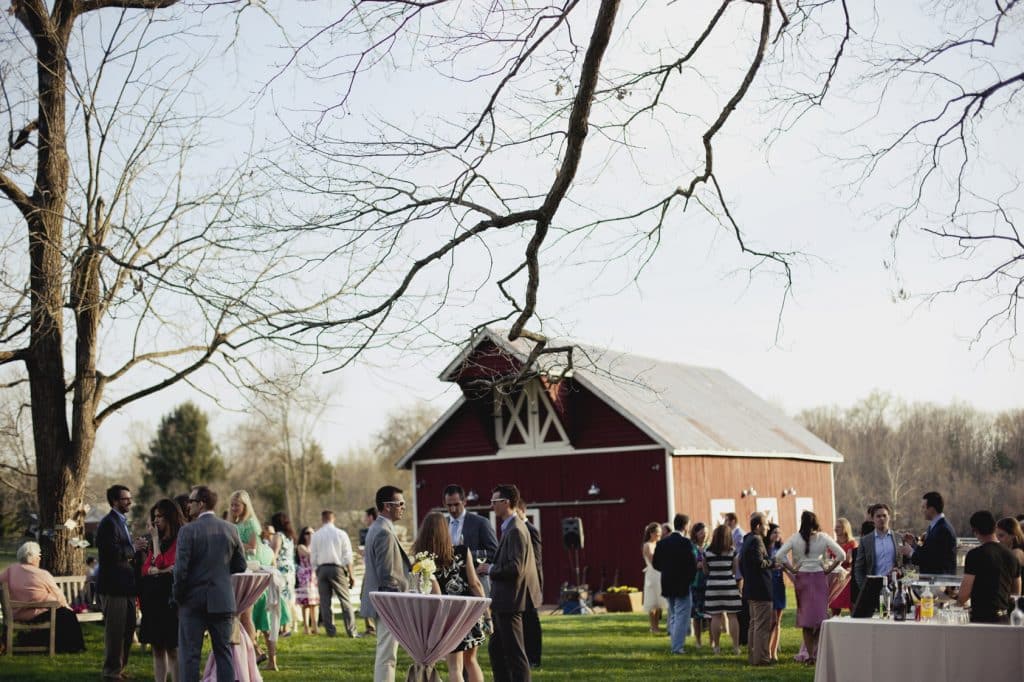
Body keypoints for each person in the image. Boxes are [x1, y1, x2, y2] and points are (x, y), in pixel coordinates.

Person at [174, 486, 247, 682]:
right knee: (224, 654)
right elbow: (241, 564)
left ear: (202, 503)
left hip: (192, 600)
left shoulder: (188, 531)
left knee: (190, 656)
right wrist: (220, 573)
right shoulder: (230, 529)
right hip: (222, 599)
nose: (188, 505)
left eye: (191, 501)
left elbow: (180, 570)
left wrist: (177, 597)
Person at [478, 484, 541, 682]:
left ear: (506, 503)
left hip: (510, 601)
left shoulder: (515, 530)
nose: (491, 505)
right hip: (504, 601)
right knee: (496, 651)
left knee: (515, 654)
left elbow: (516, 568)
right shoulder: (511, 528)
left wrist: (490, 569)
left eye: (494, 502)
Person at [414, 511, 487, 682]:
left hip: (446, 618)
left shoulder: (422, 560)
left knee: (455, 667)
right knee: (471, 661)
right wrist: (486, 612)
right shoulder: (462, 551)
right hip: (469, 612)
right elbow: (475, 584)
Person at [775, 510, 845, 664]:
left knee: (805, 619)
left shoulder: (795, 538)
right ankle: (817, 652)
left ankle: (810, 656)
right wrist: (829, 568)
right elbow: (842, 555)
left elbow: (779, 555)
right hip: (820, 577)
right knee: (820, 617)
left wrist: (792, 568)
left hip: (803, 578)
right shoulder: (823, 537)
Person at [361, 485, 412, 682]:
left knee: (386, 652)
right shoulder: (384, 532)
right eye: (400, 503)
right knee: (387, 654)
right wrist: (397, 604)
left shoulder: (378, 527)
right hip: (388, 602)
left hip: (382, 600)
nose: (403, 507)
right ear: (386, 506)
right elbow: (388, 575)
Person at [0, 541, 85, 653]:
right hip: (37, 613)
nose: (40, 558)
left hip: (16, 613)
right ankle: (73, 648)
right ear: (33, 558)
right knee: (68, 615)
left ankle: (33, 640)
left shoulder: (10, 570)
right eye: (39, 556)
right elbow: (58, 595)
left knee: (63, 615)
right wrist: (66, 606)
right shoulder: (42, 574)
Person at [97, 484, 144, 680]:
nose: (129, 502)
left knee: (128, 629)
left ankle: (120, 669)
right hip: (113, 588)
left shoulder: (122, 522)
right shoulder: (108, 523)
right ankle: (110, 672)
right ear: (115, 501)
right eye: (125, 499)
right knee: (115, 632)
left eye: (129, 498)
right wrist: (134, 547)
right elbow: (110, 553)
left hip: (127, 588)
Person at [139, 499, 186, 681]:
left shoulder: (179, 538)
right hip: (153, 600)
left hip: (169, 599)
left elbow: (160, 562)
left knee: (172, 648)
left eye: (160, 516)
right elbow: (145, 569)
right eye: (155, 516)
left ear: (170, 517)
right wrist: (161, 570)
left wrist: (156, 543)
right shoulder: (155, 540)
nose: (156, 520)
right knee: (157, 647)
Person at [229, 489, 274, 662]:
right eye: (232, 505)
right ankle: (253, 651)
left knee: (246, 614)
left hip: (249, 572)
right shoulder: (235, 523)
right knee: (238, 614)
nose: (233, 508)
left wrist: (234, 544)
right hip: (238, 571)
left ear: (245, 506)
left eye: (237, 505)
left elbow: (253, 547)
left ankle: (251, 652)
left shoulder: (251, 523)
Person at [956, 510, 1022, 623]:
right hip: (1004, 619)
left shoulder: (975, 555)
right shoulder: (1012, 555)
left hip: (981, 619)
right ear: (994, 527)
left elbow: (964, 595)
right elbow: (1016, 592)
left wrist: (956, 605)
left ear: (975, 531)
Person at [651, 513, 697, 655]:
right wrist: (689, 579)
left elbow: (656, 564)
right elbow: (692, 565)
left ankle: (674, 643)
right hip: (682, 583)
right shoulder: (685, 543)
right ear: (685, 526)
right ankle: (677, 647)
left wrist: (667, 570)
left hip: (667, 582)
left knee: (673, 615)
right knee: (682, 616)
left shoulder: (662, 543)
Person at [311, 509, 358, 638]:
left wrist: (317, 570)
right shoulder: (341, 534)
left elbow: (313, 556)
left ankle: (330, 631)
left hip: (322, 568)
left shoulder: (316, 535)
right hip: (337, 568)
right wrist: (351, 575)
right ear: (333, 518)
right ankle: (351, 631)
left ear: (322, 519)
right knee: (345, 600)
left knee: (325, 602)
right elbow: (347, 556)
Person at [443, 484, 499, 584]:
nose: (453, 509)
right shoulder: (442, 524)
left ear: (464, 502)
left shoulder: (481, 523)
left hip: (475, 580)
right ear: (444, 504)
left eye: (456, 504)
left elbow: (494, 553)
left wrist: (465, 555)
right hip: (449, 583)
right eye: (449, 505)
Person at [740, 512, 773, 667]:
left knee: (754, 624)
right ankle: (762, 659)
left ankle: (754, 657)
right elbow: (760, 563)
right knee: (762, 626)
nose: (768, 527)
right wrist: (773, 562)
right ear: (758, 526)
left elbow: (741, 563)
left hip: (751, 588)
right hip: (761, 590)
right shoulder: (757, 540)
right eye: (766, 524)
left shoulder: (747, 539)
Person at [703, 524, 741, 655]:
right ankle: (735, 647)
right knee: (732, 616)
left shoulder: (707, 552)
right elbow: (734, 571)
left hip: (713, 586)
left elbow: (705, 571)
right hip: (729, 585)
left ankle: (717, 647)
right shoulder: (733, 551)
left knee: (715, 617)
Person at [900, 491, 957, 575]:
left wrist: (910, 553)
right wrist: (914, 543)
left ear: (932, 509)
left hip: (939, 581)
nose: (921, 510)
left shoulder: (943, 530)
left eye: (923, 507)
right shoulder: (936, 526)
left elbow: (931, 560)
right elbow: (929, 552)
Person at [517, 498, 543, 669]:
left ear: (522, 510)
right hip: (520, 585)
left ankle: (534, 658)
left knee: (531, 621)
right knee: (524, 622)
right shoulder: (514, 529)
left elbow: (536, 559)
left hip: (529, 583)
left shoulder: (530, 530)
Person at [853, 503, 902, 590]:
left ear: (889, 517)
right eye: (878, 516)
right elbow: (858, 568)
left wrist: (900, 571)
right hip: (874, 587)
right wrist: (864, 588)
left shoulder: (899, 538)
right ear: (873, 519)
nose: (882, 518)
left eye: (884, 515)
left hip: (895, 586)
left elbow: (907, 563)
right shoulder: (865, 541)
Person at [269, 512, 297, 638]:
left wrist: (270, 566)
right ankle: (287, 626)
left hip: (281, 569)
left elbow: (274, 553)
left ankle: (282, 627)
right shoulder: (290, 536)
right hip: (290, 569)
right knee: (288, 596)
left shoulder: (278, 536)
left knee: (280, 597)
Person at [641, 522, 667, 633]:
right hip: (653, 574)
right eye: (657, 533)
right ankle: (653, 626)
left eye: (660, 533)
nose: (659, 535)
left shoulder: (659, 544)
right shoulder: (647, 545)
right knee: (652, 601)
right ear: (651, 533)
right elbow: (653, 561)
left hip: (660, 574)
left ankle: (657, 626)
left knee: (659, 602)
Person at [828, 518, 857, 616]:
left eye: (838, 527)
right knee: (835, 608)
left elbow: (849, 559)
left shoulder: (852, 543)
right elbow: (828, 560)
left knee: (853, 607)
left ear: (845, 528)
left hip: (848, 578)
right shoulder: (833, 544)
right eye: (835, 527)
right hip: (836, 578)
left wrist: (834, 560)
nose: (835, 529)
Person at [294, 526, 320, 634]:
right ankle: (306, 627)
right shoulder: (301, 547)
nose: (310, 536)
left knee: (314, 603)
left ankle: (315, 627)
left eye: (312, 533)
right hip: (304, 576)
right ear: (303, 535)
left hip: (314, 576)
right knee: (306, 603)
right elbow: (310, 556)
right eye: (307, 533)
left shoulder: (314, 547)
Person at [766, 524, 785, 662]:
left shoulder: (781, 549)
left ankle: (774, 652)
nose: (777, 534)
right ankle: (766, 651)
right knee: (771, 621)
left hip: (779, 585)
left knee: (778, 621)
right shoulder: (765, 549)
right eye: (774, 532)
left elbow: (787, 565)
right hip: (768, 584)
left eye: (778, 532)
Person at [689, 522, 709, 649]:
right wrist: (696, 566)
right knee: (696, 615)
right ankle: (698, 641)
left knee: (710, 614)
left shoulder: (710, 547)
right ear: (695, 533)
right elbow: (686, 564)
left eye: (706, 532)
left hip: (709, 583)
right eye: (701, 532)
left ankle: (713, 641)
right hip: (695, 583)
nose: (704, 534)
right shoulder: (691, 547)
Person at [360, 506, 379, 635]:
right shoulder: (371, 531)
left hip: (373, 570)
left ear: (371, 517)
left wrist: (364, 552)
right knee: (365, 596)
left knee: (365, 596)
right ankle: (371, 626)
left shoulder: (373, 532)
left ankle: (371, 627)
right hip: (370, 568)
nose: (364, 520)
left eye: (365, 517)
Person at [995, 516, 1024, 584]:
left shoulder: (1016, 553)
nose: (998, 540)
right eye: (996, 536)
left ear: (1013, 535)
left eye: (1001, 536)